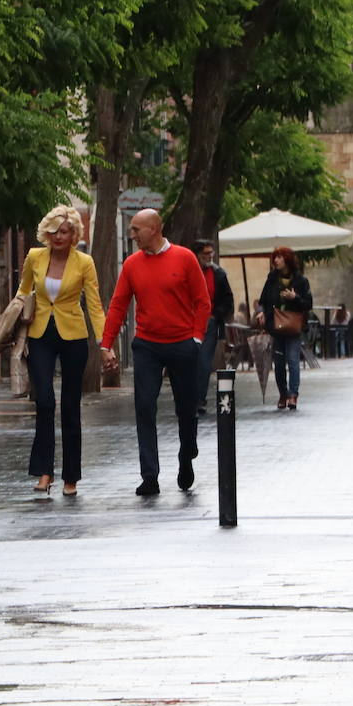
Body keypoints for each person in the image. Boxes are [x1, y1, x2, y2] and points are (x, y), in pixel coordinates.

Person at [100, 210, 210, 496]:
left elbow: (202, 302)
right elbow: (118, 305)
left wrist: (196, 339)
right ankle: (149, 475)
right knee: (144, 407)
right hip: (147, 345)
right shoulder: (132, 264)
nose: (132, 234)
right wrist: (106, 344)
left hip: (182, 344)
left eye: (136, 229)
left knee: (186, 409)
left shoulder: (185, 258)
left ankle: (186, 456)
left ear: (154, 229)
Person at [17, 205, 105, 497]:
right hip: (40, 334)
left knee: (70, 406)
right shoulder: (34, 257)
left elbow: (93, 304)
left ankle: (71, 477)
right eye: (53, 231)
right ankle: (44, 472)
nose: (58, 236)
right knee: (44, 402)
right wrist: (15, 318)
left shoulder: (84, 263)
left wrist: (105, 343)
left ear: (73, 235)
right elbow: (23, 292)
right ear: (47, 233)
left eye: (63, 232)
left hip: (73, 336)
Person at [259, 247, 312, 411]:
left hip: (293, 326)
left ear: (287, 259)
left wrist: (294, 298)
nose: (276, 260)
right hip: (275, 326)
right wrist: (262, 314)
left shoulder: (301, 281)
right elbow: (264, 300)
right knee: (280, 363)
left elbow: (308, 304)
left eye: (279, 257)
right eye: (275, 258)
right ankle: (283, 393)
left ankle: (293, 394)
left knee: (293, 360)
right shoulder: (272, 279)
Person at [192, 240, 235, 416]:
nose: (210, 256)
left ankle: (199, 400)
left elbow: (227, 299)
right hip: (187, 322)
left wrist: (216, 315)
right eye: (206, 254)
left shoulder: (218, 274)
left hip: (209, 322)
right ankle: (189, 397)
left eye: (211, 253)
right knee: (187, 362)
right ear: (197, 255)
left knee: (203, 361)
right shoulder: (187, 271)